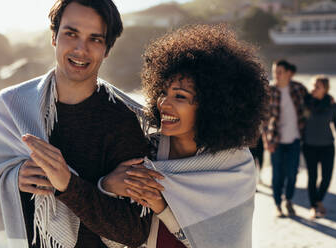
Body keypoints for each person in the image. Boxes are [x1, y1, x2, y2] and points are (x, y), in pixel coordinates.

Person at [0, 1, 161, 247]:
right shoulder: (10, 107)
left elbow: (135, 232)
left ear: (107, 49)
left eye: (95, 39)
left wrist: (68, 184)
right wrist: (12, 178)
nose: (81, 49)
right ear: (54, 37)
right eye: (71, 34)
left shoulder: (124, 120)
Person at [100, 24, 270, 248]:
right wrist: (107, 187)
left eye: (179, 96)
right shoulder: (143, 151)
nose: (163, 104)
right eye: (162, 92)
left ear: (211, 106)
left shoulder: (234, 165)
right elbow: (112, 242)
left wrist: (161, 207)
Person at [263, 60, 307, 217]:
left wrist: (329, 100)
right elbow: (264, 119)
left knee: (292, 173)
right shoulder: (270, 91)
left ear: (289, 73)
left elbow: (311, 103)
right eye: (275, 71)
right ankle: (277, 205)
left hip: (295, 139)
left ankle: (288, 200)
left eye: (280, 71)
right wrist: (266, 140)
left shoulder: (298, 89)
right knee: (277, 175)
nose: (276, 75)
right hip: (276, 141)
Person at [303, 75, 336, 219]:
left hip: (328, 146)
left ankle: (318, 200)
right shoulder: (305, 102)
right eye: (313, 85)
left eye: (317, 86)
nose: (313, 89)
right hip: (309, 145)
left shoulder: (331, 104)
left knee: (327, 177)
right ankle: (313, 206)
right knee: (312, 176)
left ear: (325, 89)